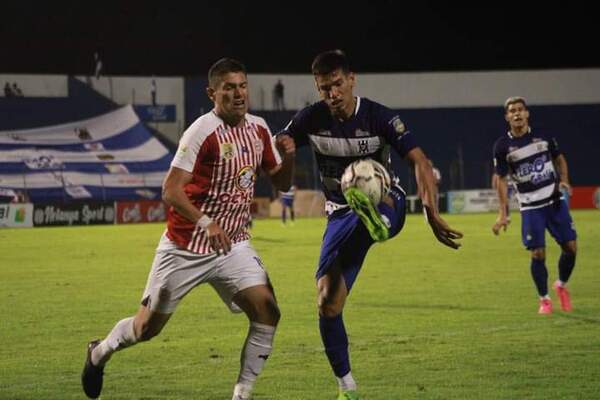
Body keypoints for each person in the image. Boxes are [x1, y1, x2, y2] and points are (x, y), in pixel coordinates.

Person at [81, 58, 295, 400]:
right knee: (146, 328)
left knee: (268, 311)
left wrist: (289, 157)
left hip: (233, 246)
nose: (238, 94)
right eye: (229, 88)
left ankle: (242, 394)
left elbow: (282, 183)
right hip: (185, 247)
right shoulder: (201, 132)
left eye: (242, 86)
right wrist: (206, 222)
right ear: (213, 93)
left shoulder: (258, 129)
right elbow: (170, 189)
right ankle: (99, 352)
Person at [277, 50, 462, 400]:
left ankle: (372, 216)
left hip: (387, 200)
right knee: (327, 304)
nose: (332, 94)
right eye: (323, 88)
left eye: (336, 85)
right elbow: (279, 161)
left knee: (378, 202)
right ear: (317, 89)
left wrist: (431, 211)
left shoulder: (379, 117)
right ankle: (347, 387)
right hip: (339, 214)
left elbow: (420, 162)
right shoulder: (309, 120)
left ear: (351, 79)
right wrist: (282, 150)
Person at [492, 96, 577, 315]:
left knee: (570, 248)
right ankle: (544, 299)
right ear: (507, 117)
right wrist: (503, 213)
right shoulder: (502, 146)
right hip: (531, 207)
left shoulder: (544, 136)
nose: (517, 114)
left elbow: (559, 158)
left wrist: (565, 179)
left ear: (527, 113)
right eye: (512, 111)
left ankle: (561, 286)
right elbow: (500, 180)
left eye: (520, 110)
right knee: (538, 254)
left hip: (554, 201)